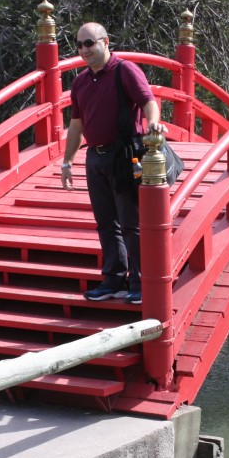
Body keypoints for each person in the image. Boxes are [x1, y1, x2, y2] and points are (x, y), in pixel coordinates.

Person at [61, 22, 166, 306]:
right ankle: (113, 280)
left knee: (130, 222)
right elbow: (76, 124)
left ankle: (139, 281)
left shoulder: (125, 70)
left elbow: (148, 101)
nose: (84, 49)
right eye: (79, 44)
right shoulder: (81, 81)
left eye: (90, 43)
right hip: (94, 157)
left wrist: (153, 123)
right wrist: (67, 161)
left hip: (123, 155)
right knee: (106, 223)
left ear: (106, 42)